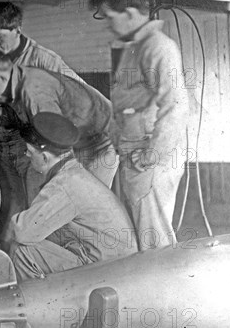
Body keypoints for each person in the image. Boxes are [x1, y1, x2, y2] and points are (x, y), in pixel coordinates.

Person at [0, 2, 91, 248]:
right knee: (8, 216)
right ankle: (10, 274)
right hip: (3, 149)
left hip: (36, 151)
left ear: (17, 29)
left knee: (39, 217)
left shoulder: (44, 60)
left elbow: (78, 96)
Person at [94, 0, 189, 250]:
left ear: (131, 13)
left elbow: (176, 105)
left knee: (155, 243)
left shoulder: (159, 47)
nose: (109, 26)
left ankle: (166, 292)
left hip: (148, 160)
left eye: (111, 18)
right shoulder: (131, 48)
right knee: (140, 242)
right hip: (134, 155)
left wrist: (152, 155)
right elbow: (125, 106)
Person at [0, 52, 118, 204]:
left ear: (2, 78)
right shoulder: (18, 80)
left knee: (81, 204)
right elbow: (25, 119)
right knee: (40, 183)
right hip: (78, 141)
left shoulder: (35, 93)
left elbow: (57, 150)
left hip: (98, 144)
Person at [9, 113, 137, 282]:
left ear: (45, 157)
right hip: (119, 264)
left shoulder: (64, 185)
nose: (26, 154)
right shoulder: (74, 173)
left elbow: (23, 232)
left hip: (109, 273)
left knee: (22, 250)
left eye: (29, 151)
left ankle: (42, 307)